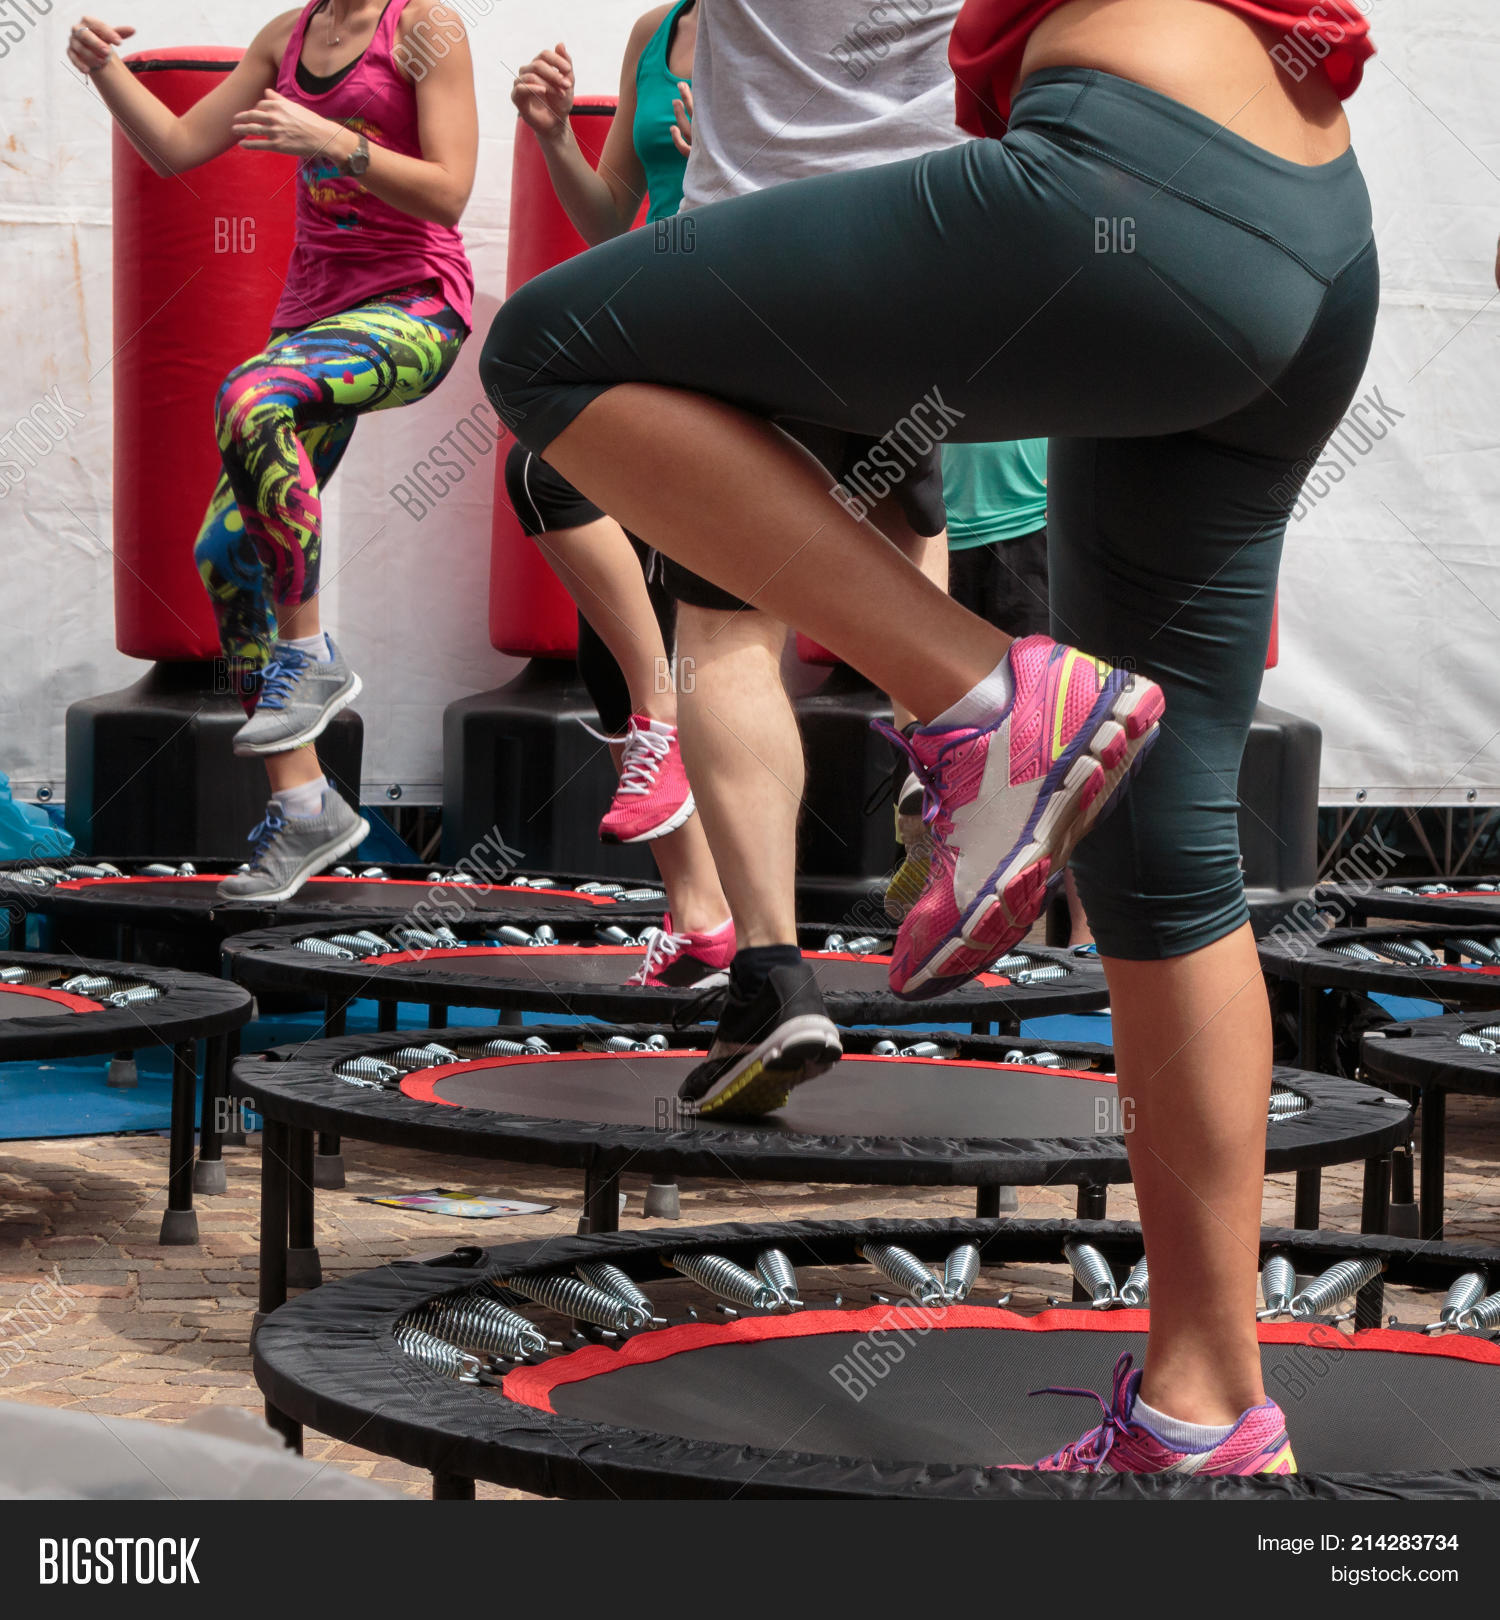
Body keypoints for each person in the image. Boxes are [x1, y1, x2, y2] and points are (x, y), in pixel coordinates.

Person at [483, 0, 1378, 1477]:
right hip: (1308, 226)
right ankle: (1203, 1414)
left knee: (551, 350)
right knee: (1162, 847)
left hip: (1133, 184)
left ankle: (981, 701)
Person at [69, 2, 477, 902]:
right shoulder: (284, 37)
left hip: (415, 310)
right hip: (313, 323)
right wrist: (105, 72)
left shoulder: (425, 29)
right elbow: (177, 147)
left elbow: (450, 190)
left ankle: (310, 657)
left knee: (248, 396)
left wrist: (329, 137)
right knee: (224, 553)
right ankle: (304, 808)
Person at [506, 4, 737, 989]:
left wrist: (739, 165)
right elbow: (611, 213)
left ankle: (660, 717)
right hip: (656, 314)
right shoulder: (658, 27)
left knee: (545, 468)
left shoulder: (794, 39)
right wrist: (555, 133)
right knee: (613, 623)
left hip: (752, 320)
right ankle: (700, 917)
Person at [888, 437, 1092, 947]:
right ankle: (940, 916)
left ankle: (1088, 938)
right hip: (929, 527)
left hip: (1031, 526)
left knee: (1064, 732)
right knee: (940, 734)